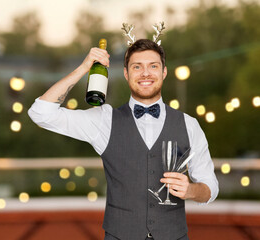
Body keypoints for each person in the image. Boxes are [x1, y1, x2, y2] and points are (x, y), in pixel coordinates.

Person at [28, 39, 219, 240]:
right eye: (137, 67)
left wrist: (191, 190)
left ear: (164, 72)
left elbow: (210, 187)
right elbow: (40, 113)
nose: (145, 73)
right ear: (126, 74)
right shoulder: (104, 121)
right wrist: (84, 68)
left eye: (153, 66)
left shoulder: (189, 124)